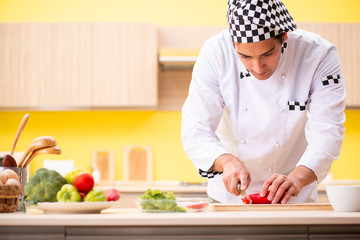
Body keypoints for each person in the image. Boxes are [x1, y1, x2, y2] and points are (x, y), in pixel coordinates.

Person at [181, 0, 346, 204]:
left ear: (284, 37)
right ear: (233, 45)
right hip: (229, 197)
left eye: (268, 54)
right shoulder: (215, 53)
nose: (258, 68)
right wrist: (226, 160)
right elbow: (196, 128)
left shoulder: (318, 55)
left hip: (293, 194)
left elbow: (328, 130)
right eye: (245, 56)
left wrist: (297, 178)